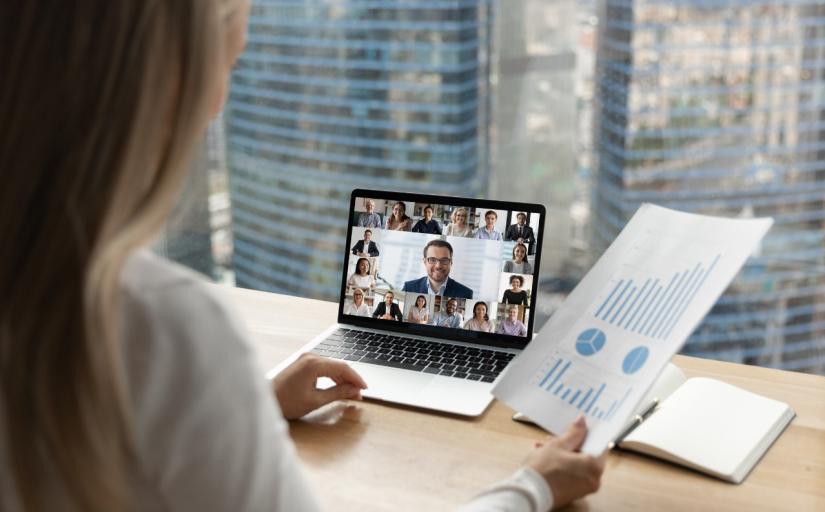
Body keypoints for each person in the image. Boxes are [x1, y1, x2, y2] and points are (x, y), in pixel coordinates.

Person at [0, 1, 606, 510]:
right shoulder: (162, 325)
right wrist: (531, 486)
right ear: (175, 85)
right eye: (230, 64)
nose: (218, 104)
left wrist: (244, 408)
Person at [403, 239, 473, 299]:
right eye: (433, 260)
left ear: (451, 262)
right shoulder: (408, 287)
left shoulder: (466, 293)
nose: (438, 266)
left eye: (444, 260)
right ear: (425, 262)